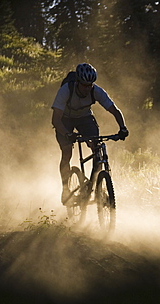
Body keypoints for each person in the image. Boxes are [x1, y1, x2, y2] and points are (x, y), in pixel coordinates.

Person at [51, 62, 129, 205]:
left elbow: (114, 110)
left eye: (90, 85)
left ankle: (95, 184)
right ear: (78, 83)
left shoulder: (96, 91)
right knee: (67, 152)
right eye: (85, 85)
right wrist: (67, 134)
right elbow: (56, 120)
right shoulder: (65, 91)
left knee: (97, 147)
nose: (88, 88)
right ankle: (65, 189)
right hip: (65, 120)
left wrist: (123, 128)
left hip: (84, 118)